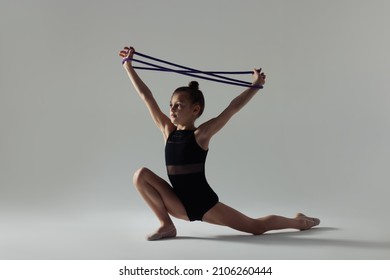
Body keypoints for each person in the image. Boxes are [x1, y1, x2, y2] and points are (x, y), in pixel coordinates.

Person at [119, 46, 320, 241]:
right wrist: (129, 67)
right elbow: (147, 97)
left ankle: (299, 222)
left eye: (179, 105)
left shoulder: (201, 135)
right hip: (178, 203)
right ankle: (167, 225)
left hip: (204, 204)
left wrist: (255, 85)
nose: (172, 109)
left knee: (256, 227)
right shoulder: (167, 131)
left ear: (195, 110)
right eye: (171, 105)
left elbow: (232, 109)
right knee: (140, 175)